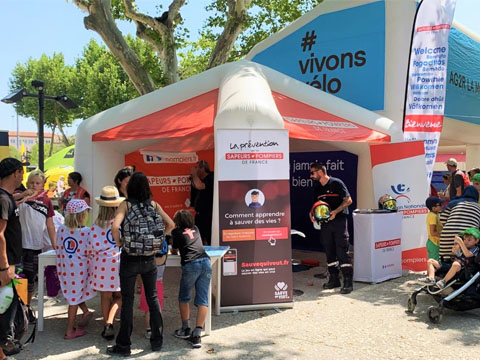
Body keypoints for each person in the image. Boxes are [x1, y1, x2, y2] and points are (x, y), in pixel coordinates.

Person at [107, 172, 174, 357]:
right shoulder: (154, 204)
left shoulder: (126, 204)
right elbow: (171, 224)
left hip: (129, 258)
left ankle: (124, 346)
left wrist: (119, 241)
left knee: (128, 300)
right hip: (149, 258)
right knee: (152, 298)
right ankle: (157, 341)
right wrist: (159, 240)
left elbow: (114, 226)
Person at [309, 162, 353, 294]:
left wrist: (335, 212)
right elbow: (316, 206)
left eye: (313, 173)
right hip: (325, 224)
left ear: (320, 172)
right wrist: (312, 215)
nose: (311, 176)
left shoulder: (336, 183)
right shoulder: (317, 188)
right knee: (329, 250)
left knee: (342, 249)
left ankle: (347, 281)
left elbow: (349, 200)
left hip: (339, 221)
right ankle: (334, 279)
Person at [56, 199, 96, 340]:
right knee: (73, 300)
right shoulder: (86, 232)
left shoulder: (61, 229)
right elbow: (90, 250)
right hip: (80, 270)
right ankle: (69, 331)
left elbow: (59, 247)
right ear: (82, 215)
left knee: (74, 293)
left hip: (66, 269)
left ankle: (85, 312)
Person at [171, 210, 212, 349]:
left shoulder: (176, 232)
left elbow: (174, 249)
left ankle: (185, 329)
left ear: (177, 222)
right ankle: (197, 333)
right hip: (205, 262)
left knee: (184, 297)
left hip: (190, 264)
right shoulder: (196, 228)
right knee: (203, 299)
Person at [17, 170, 56, 315]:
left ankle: (26, 308)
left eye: (37, 183)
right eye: (31, 182)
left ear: (42, 185)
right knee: (17, 278)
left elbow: (50, 225)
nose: (34, 185)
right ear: (27, 183)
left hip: (35, 246)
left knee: (30, 279)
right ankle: (16, 309)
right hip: (18, 246)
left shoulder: (46, 201)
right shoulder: (18, 195)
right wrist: (22, 196)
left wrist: (55, 245)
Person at [88, 186, 124, 340]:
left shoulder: (95, 225)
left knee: (105, 296)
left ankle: (106, 324)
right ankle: (110, 321)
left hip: (99, 264)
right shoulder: (119, 223)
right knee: (119, 296)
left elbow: (91, 246)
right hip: (117, 262)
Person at [0, 158, 26, 359]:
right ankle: (5, 343)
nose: (23, 177)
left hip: (12, 263)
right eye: (22, 173)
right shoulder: (3, 199)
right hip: (7, 265)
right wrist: (4, 267)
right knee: (5, 308)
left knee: (12, 305)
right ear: (16, 172)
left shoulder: (7, 198)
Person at [438, 186, 480, 259]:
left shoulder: (453, 203)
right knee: (462, 262)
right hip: (466, 237)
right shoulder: (478, 207)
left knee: (445, 261)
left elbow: (442, 218)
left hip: (446, 235)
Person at [140, 253, 165, 340]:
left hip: (147, 283)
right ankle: (157, 328)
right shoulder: (164, 256)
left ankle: (148, 329)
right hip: (159, 283)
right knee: (157, 308)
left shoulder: (146, 256)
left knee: (148, 310)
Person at [190, 160, 214, 245]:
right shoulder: (198, 179)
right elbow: (195, 186)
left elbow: (200, 186)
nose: (195, 170)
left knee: (209, 237)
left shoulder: (212, 177)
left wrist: (194, 174)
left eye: (197, 168)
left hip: (209, 215)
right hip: (199, 214)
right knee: (198, 238)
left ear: (202, 168)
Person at [425, 196, 445, 261]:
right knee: (434, 263)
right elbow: (433, 233)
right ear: (433, 208)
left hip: (434, 242)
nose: (442, 206)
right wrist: (444, 234)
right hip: (434, 243)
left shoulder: (435, 214)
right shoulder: (433, 216)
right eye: (440, 205)